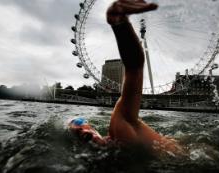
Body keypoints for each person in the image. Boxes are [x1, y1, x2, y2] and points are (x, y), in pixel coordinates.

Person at [69, 0, 184, 155]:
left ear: (92, 127)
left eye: (79, 123)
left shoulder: (120, 129)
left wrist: (120, 25)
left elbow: (134, 68)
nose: (80, 129)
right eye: (76, 132)